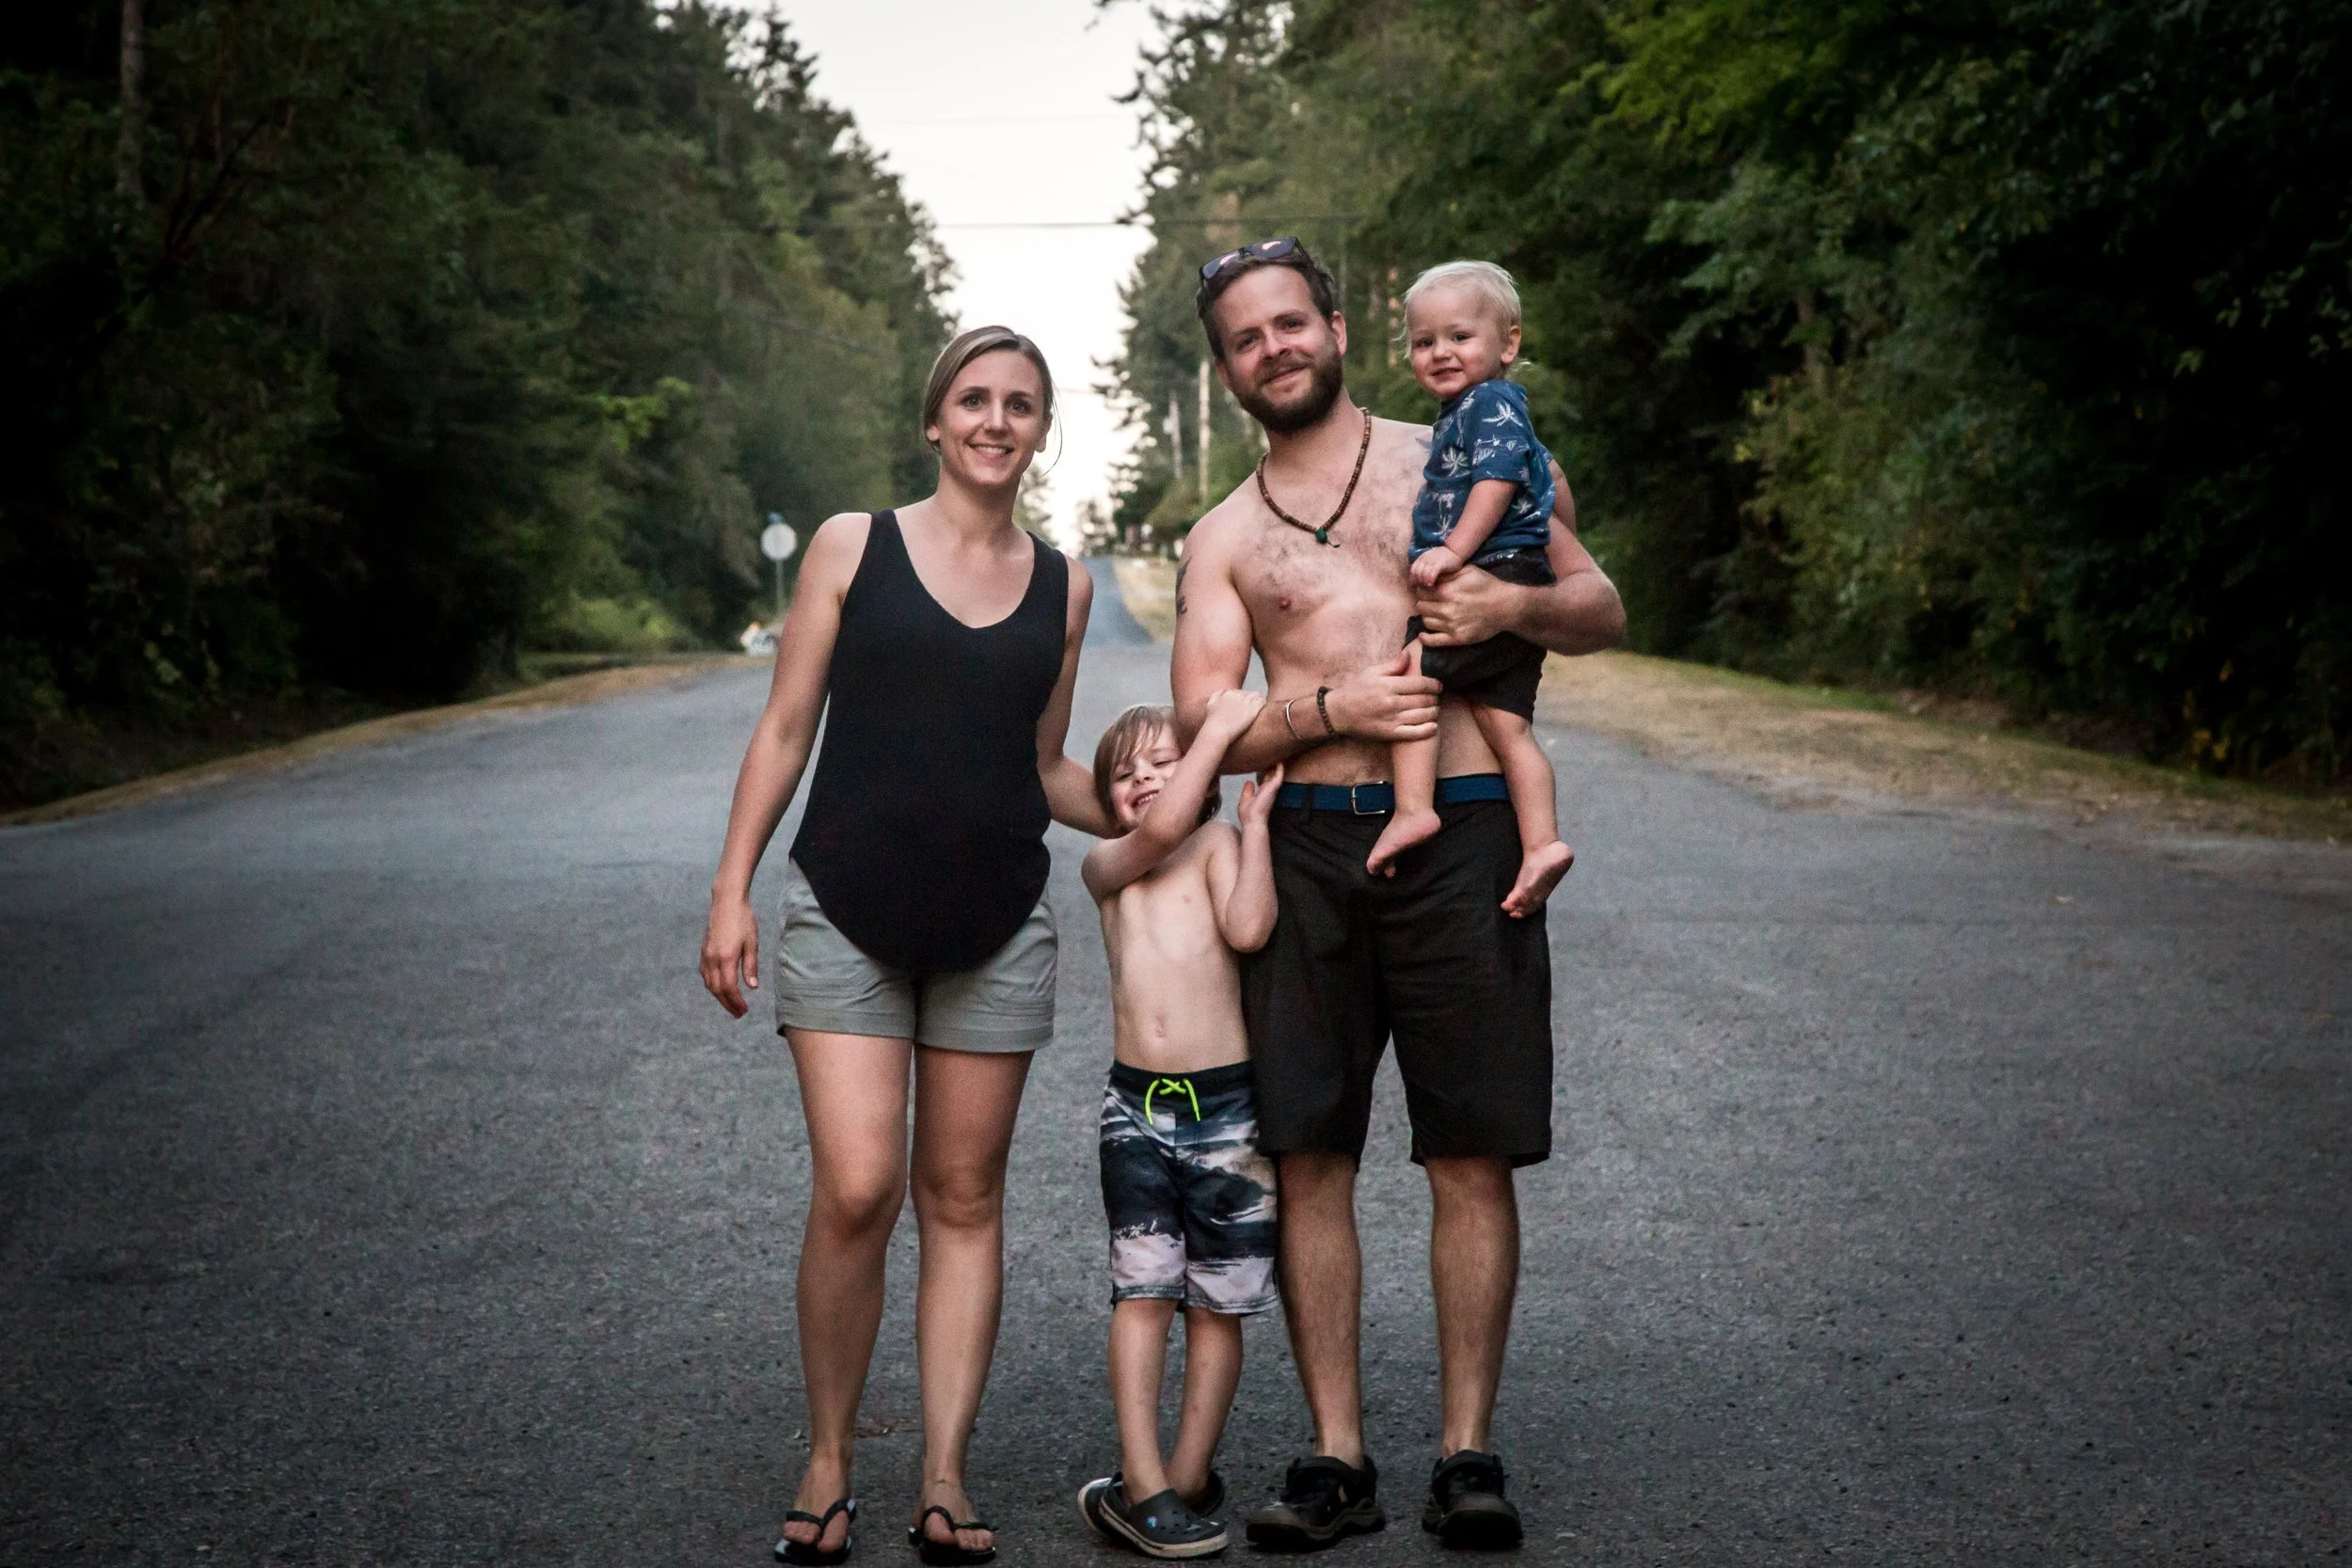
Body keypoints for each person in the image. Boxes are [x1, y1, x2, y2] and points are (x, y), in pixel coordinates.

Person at [1168, 236, 1626, 1552]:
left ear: (1336, 325)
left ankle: (1467, 1451)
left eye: (1289, 323)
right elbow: (1207, 720)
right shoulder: (1226, 537)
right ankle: (1334, 1455)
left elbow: (1602, 605)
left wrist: (1509, 600)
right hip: (1307, 843)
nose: (1274, 347)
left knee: (1468, 1147)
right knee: (1308, 1148)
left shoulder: (1465, 456)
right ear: (1229, 368)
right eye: (1246, 337)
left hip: (1467, 829)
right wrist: (1329, 706)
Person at [699, 325, 1112, 1567]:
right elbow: (784, 731)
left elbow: (1046, 765)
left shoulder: (1066, 583)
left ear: (1042, 429)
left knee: (966, 1195)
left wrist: (1158, 789)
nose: (997, 419)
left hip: (998, 920)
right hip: (846, 904)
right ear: (936, 421)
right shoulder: (850, 545)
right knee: (863, 1184)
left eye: (1021, 404)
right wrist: (731, 889)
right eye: (974, 399)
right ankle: (828, 1455)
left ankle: (943, 1469)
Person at [1073, 693, 1284, 1560]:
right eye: (1125, 773)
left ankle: (1188, 1476)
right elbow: (1154, 829)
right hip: (1137, 1111)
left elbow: (1249, 925)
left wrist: (1256, 825)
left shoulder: (1215, 846)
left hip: (1229, 1112)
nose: (1145, 780)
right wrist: (1222, 732)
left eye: (1162, 762)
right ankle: (1144, 1477)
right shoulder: (1109, 864)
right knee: (1144, 1291)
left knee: (1218, 1301)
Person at [1363, 261, 1576, 918]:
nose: (1440, 352)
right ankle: (1541, 842)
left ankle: (1413, 808)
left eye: (1460, 337)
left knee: (1413, 672)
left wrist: (1452, 551)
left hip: (1498, 569)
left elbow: (1497, 483)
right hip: (1512, 569)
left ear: (1507, 343)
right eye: (1425, 342)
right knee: (1508, 726)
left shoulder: (1492, 404)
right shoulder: (1465, 410)